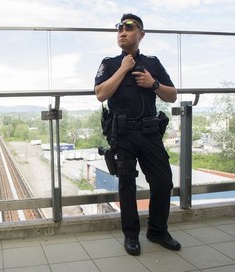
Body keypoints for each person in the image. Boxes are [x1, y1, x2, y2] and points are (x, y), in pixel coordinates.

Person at [94, 13, 181, 256]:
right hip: (122, 134)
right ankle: (131, 236)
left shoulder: (152, 63)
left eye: (129, 27)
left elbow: (172, 95)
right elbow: (101, 93)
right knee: (127, 186)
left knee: (163, 181)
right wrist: (123, 69)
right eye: (119, 28)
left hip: (150, 132)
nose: (122, 31)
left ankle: (157, 231)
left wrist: (153, 84)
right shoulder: (110, 63)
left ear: (141, 34)